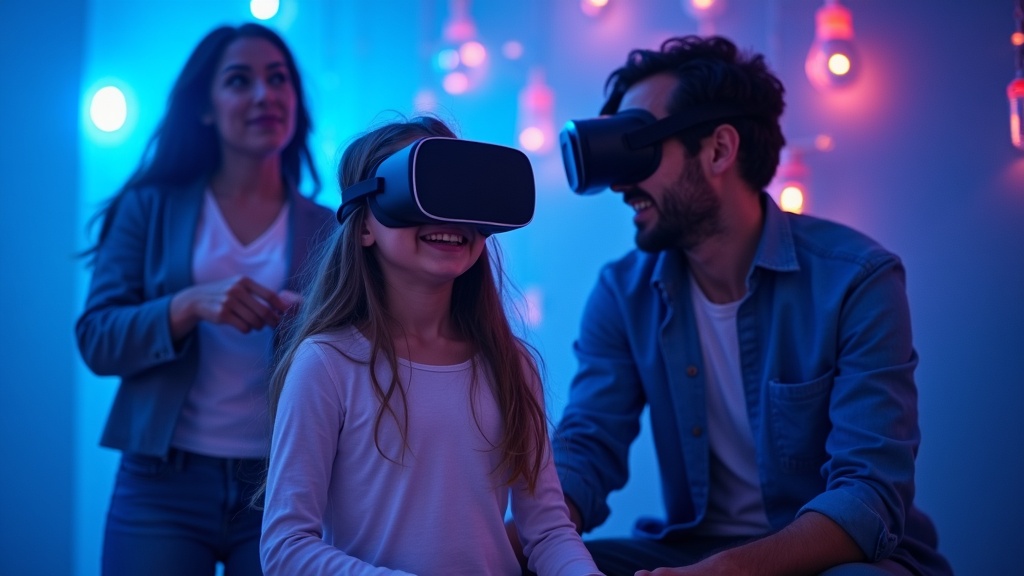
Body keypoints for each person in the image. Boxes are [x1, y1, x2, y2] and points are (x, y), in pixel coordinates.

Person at [513, 36, 954, 575]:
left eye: (637, 146)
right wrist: (501, 546)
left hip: (837, 557)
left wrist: (726, 574)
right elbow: (589, 446)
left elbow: (869, 495)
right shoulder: (622, 293)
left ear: (720, 150)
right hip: (692, 549)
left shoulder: (857, 280)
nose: (621, 184)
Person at [259, 115, 602, 576]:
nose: (449, 216)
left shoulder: (511, 366)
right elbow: (286, 547)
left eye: (464, 192)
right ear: (364, 226)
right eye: (426, 188)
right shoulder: (327, 364)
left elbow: (548, 532)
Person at [75, 23, 333, 576]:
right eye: (239, 81)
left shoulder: (329, 228)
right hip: (160, 484)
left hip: (280, 487)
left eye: (278, 79)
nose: (264, 94)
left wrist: (309, 325)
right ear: (207, 109)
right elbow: (97, 339)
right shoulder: (149, 207)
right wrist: (187, 305)